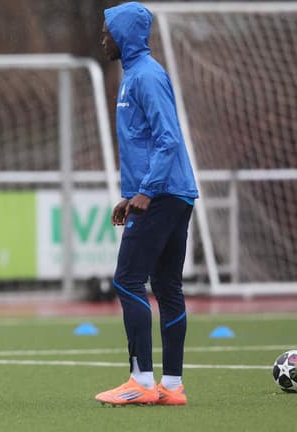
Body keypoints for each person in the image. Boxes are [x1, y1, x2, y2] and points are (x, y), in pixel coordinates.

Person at [95, 2, 198, 406]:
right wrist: (134, 192)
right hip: (173, 192)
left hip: (163, 194)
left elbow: (168, 138)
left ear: (123, 35)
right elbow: (150, 142)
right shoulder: (137, 75)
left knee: (126, 280)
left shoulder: (146, 77)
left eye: (107, 32)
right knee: (168, 287)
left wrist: (147, 190)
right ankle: (172, 387)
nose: (103, 38)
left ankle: (141, 380)